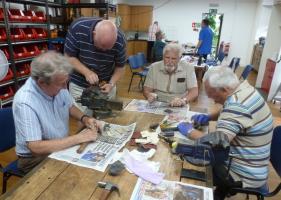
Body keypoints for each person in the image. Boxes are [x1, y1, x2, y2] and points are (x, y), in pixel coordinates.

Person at [177, 66, 273, 200]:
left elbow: (215, 144)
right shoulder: (245, 89)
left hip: (241, 173)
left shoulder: (237, 106)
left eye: (213, 96)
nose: (214, 101)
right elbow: (228, 108)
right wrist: (209, 117)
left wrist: (189, 131)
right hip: (256, 166)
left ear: (225, 89)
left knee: (180, 166)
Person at [13, 51, 102, 174]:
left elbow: (69, 106)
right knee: (77, 176)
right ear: (41, 82)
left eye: (66, 81)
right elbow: (35, 147)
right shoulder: (25, 102)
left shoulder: (58, 83)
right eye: (61, 84)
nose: (65, 87)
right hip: (35, 159)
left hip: (60, 146)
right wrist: (78, 138)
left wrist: (85, 119)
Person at [64, 17, 127, 114]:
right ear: (94, 34)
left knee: (107, 119)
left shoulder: (120, 39)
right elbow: (68, 57)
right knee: (83, 121)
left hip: (106, 86)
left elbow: (120, 66)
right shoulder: (78, 28)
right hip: (80, 86)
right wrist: (87, 72)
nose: (104, 51)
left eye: (108, 48)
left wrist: (111, 83)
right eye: (101, 47)